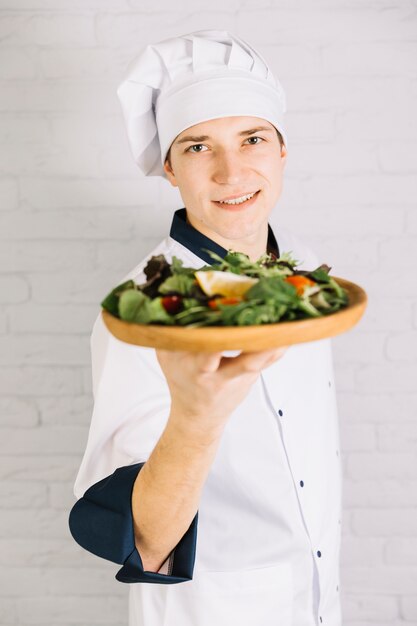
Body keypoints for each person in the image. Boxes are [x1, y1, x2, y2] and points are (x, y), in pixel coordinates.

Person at [69, 29, 343, 626]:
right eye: (197, 147)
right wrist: (196, 419)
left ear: (282, 149)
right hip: (214, 609)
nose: (231, 171)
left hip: (319, 598)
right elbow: (142, 536)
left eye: (252, 138)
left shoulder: (305, 266)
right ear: (169, 168)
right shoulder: (143, 309)